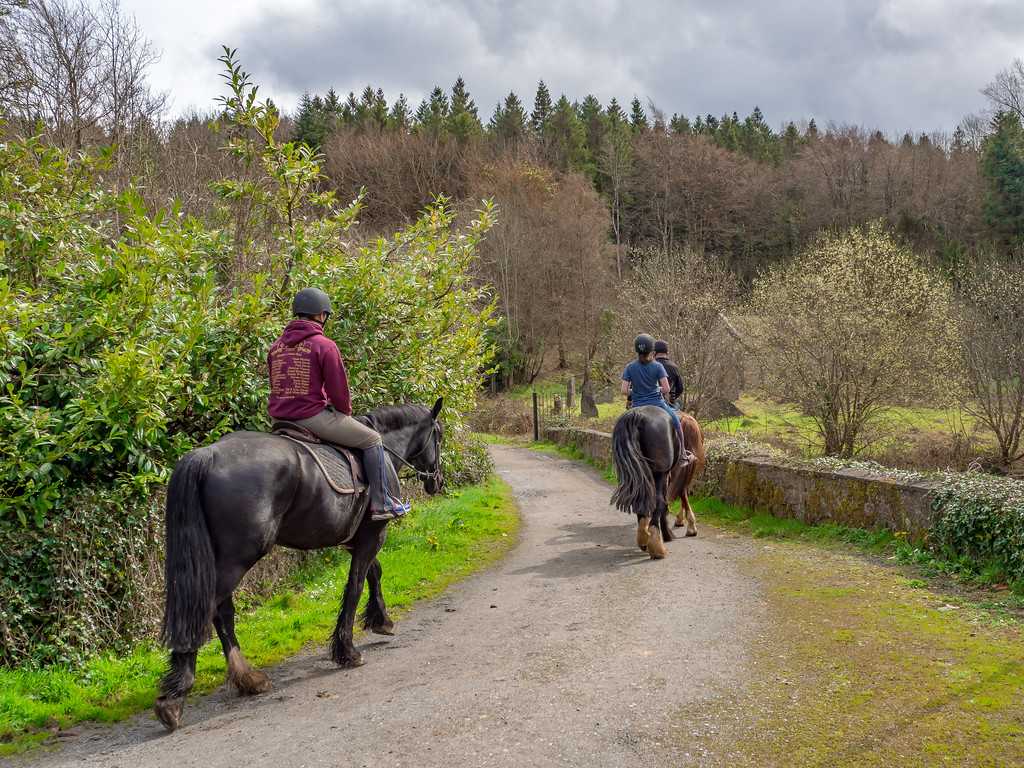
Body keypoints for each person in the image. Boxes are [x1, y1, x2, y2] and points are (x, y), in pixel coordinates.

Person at [267, 287, 410, 521]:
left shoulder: (276, 347)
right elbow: (338, 391)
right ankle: (382, 502)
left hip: (279, 420)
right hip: (311, 417)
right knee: (373, 439)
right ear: (321, 315)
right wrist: (344, 413)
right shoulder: (324, 345)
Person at [621, 333, 683, 445]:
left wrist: (635, 391)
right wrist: (656, 389)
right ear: (651, 350)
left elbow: (624, 391)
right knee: (677, 421)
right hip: (657, 404)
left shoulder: (629, 367)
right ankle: (683, 452)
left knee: (621, 429)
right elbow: (666, 389)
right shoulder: (658, 366)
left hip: (637, 406)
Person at [653, 339, 684, 409]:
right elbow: (680, 388)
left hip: (651, 400)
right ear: (667, 352)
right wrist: (673, 398)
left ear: (654, 352)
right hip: (668, 402)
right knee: (679, 403)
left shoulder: (649, 366)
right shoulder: (674, 367)